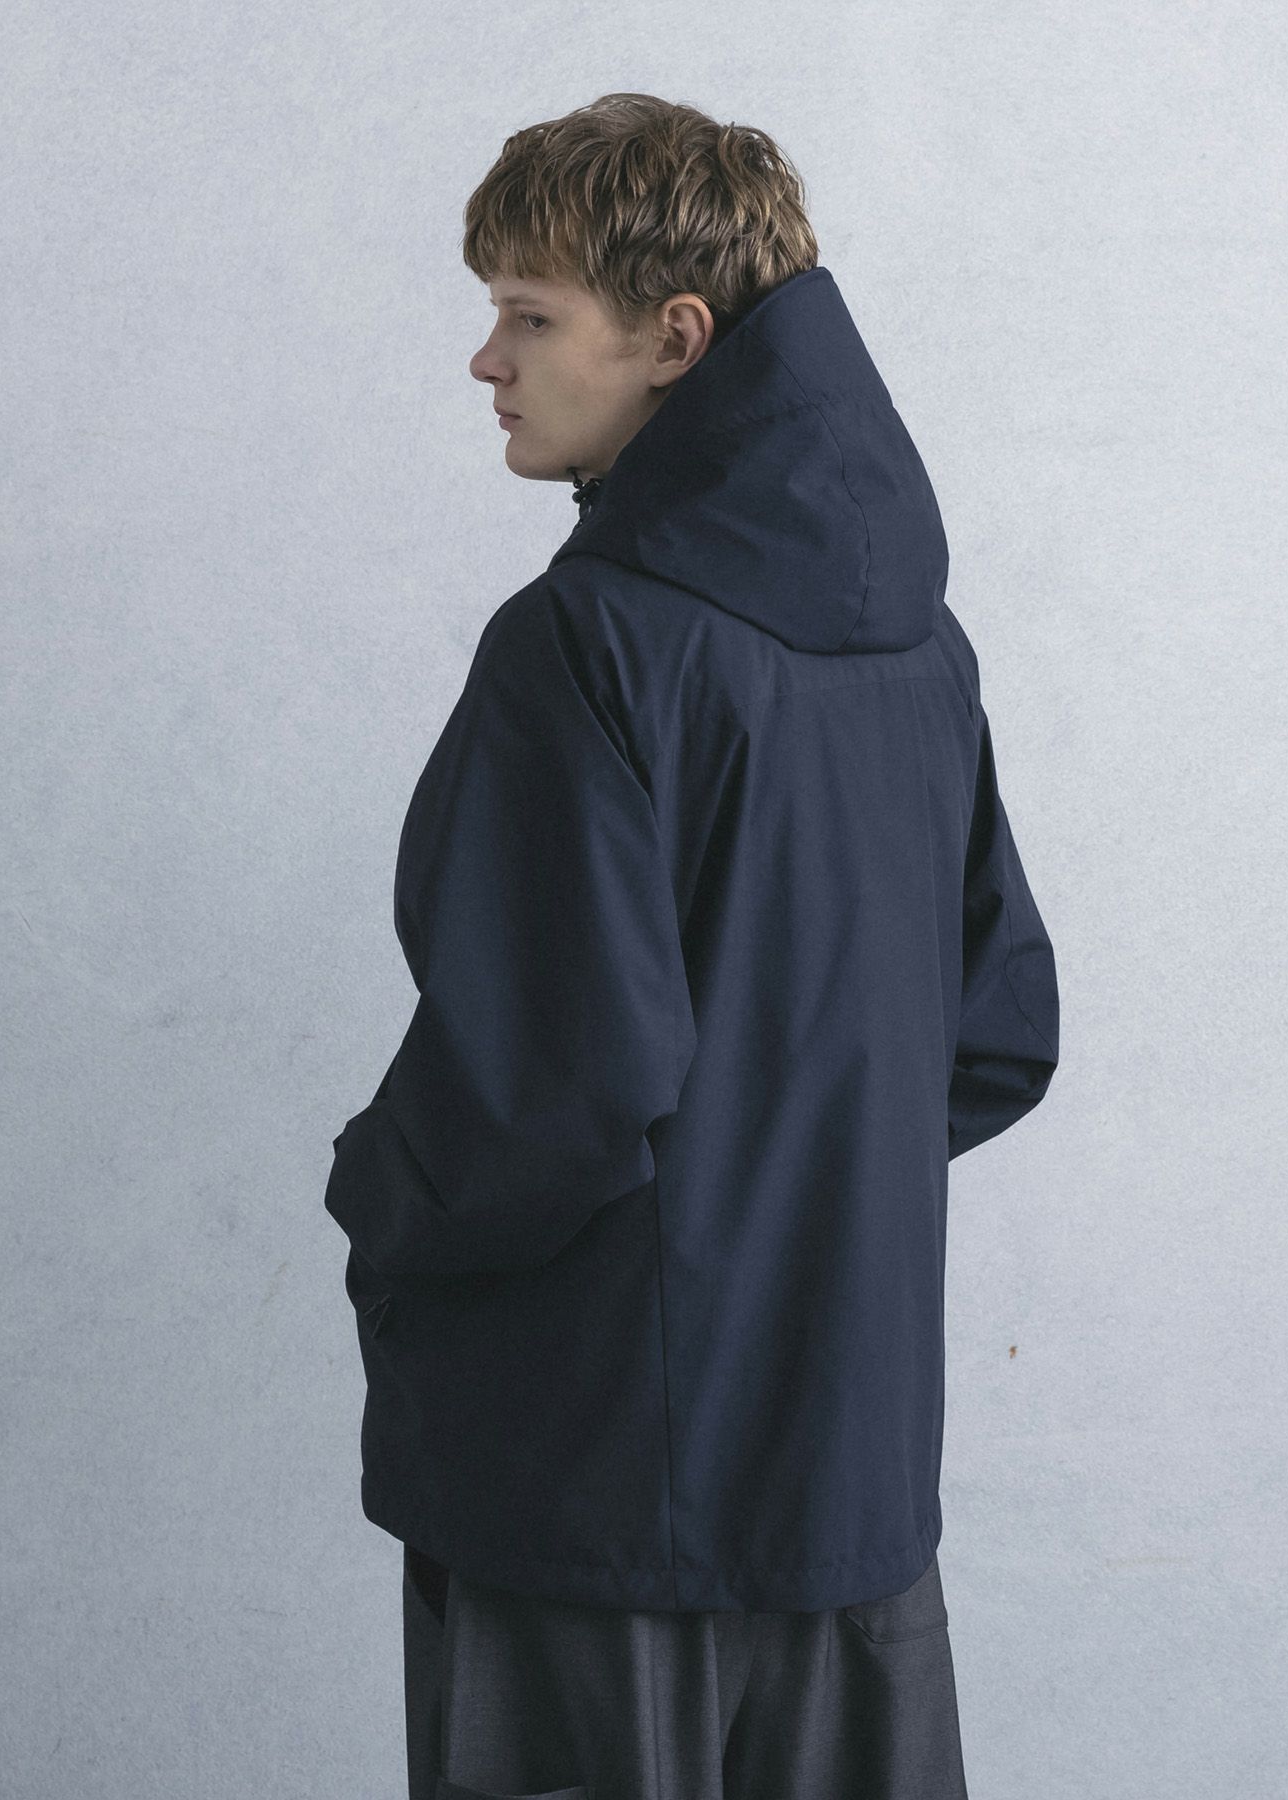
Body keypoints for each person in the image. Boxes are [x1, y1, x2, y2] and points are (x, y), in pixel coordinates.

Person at [324, 91, 1060, 1800]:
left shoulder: (586, 644)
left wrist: (375, 1196)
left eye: (529, 317)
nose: (487, 361)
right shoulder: (923, 651)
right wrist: (791, 1204)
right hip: (852, 1488)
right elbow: (995, 1031)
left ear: (676, 339)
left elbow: (548, 1089)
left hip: (593, 1493)